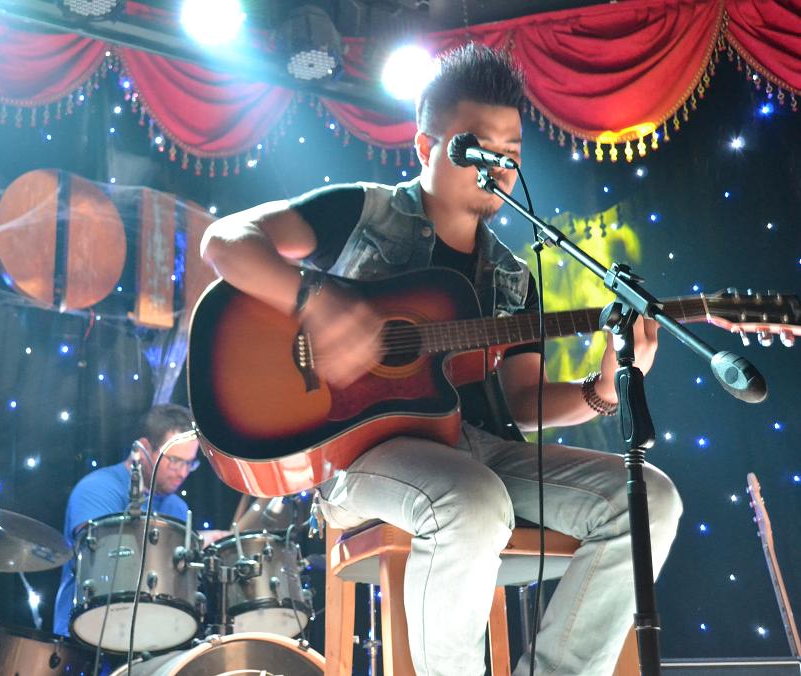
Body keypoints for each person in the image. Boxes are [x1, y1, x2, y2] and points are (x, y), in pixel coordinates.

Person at [200, 43, 683, 676]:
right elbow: (225, 241)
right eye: (477, 148)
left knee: (650, 499)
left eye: (510, 152)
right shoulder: (363, 210)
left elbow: (524, 404)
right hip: (357, 455)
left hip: (479, 452)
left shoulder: (513, 275)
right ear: (425, 147)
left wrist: (605, 389)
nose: (499, 166)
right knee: (473, 501)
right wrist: (315, 301)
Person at [52, 403, 209, 637]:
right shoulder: (98, 488)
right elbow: (109, 559)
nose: (183, 472)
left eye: (190, 463)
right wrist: (196, 542)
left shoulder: (177, 508)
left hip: (153, 636)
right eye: (175, 460)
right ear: (143, 448)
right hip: (88, 634)